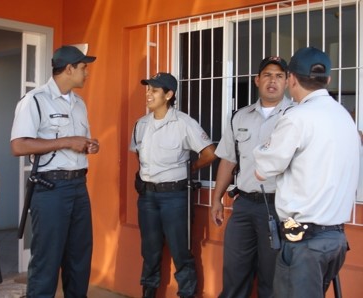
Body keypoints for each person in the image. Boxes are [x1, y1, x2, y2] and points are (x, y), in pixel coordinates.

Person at [253, 47, 360, 298]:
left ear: (290, 78)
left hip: (305, 243)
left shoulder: (297, 117)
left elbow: (262, 169)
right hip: (335, 239)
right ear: (328, 80)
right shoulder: (345, 117)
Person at [11, 45, 99, 298]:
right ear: (69, 69)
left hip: (78, 186)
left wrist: (89, 145)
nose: (87, 73)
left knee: (79, 259)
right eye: (83, 68)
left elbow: (80, 141)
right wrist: (66, 141)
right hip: (51, 189)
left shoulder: (80, 104)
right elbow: (18, 145)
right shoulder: (34, 100)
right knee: (47, 261)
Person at [211, 56, 292, 298]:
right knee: (234, 273)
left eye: (279, 76)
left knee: (272, 277)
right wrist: (216, 199)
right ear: (257, 80)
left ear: (287, 81)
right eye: (267, 75)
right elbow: (228, 160)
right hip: (244, 206)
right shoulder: (241, 116)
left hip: (279, 207)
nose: (273, 81)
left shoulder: (297, 116)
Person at [130, 72, 217, 298]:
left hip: (175, 198)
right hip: (147, 196)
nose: (148, 94)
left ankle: (187, 294)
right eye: (148, 89)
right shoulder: (140, 125)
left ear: (169, 95)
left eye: (155, 90)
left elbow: (209, 153)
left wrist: (191, 169)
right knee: (149, 252)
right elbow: (139, 156)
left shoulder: (184, 123)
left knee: (181, 251)